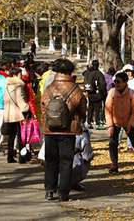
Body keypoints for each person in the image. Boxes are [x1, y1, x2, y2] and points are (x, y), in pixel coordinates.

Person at [41, 58, 87, 202]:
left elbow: (43, 106)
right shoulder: (75, 89)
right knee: (66, 161)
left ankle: (49, 190)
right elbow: (83, 109)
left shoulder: (50, 88)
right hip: (68, 131)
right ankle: (63, 193)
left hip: (50, 130)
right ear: (70, 72)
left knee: (50, 161)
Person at [3, 66, 30, 164]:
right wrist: (28, 108)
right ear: (15, 75)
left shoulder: (6, 84)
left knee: (11, 137)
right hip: (18, 114)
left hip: (9, 113)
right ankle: (22, 158)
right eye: (20, 74)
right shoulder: (18, 86)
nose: (21, 76)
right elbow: (21, 102)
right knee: (21, 137)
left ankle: (10, 156)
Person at [83, 60, 106, 129]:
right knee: (97, 109)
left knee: (90, 108)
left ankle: (89, 122)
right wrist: (103, 93)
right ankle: (97, 122)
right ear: (98, 65)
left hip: (90, 93)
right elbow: (102, 84)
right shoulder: (99, 73)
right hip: (97, 94)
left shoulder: (87, 73)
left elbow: (83, 74)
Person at [70, 127, 93, 192]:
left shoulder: (52, 131)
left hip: (53, 175)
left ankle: (51, 189)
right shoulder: (82, 133)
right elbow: (87, 156)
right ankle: (73, 182)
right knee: (86, 159)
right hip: (72, 168)